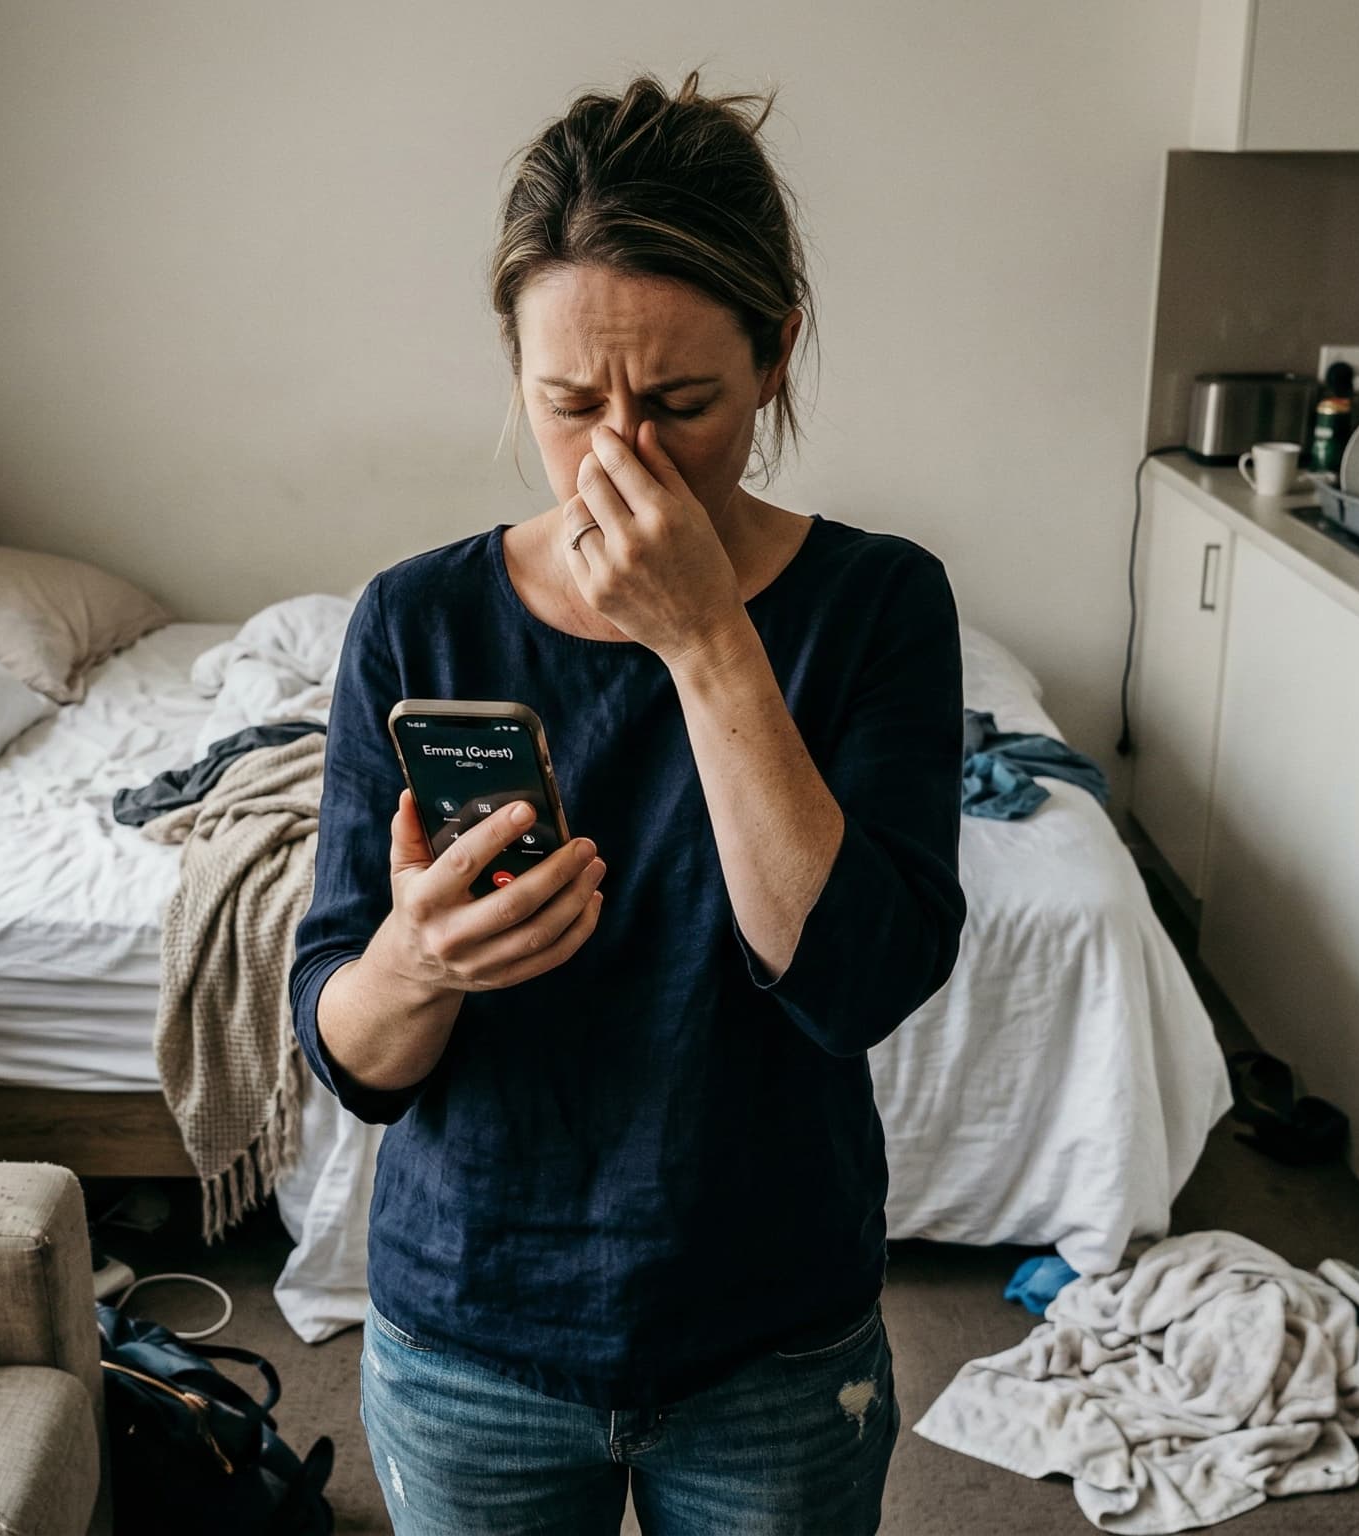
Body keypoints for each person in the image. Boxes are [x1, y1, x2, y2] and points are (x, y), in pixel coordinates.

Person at [289, 72, 965, 1536]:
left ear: (776, 355)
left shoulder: (879, 605)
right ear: (514, 372)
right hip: (469, 1335)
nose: (618, 456)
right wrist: (418, 961)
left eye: (678, 405)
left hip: (771, 1338)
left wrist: (707, 639)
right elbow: (348, 1054)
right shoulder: (416, 621)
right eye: (568, 403)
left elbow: (859, 981)